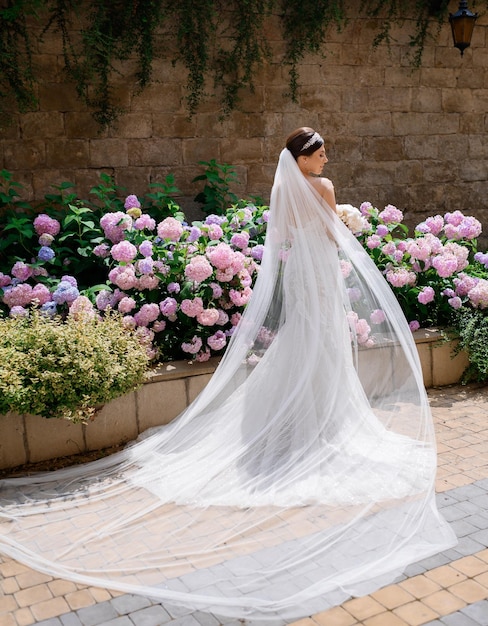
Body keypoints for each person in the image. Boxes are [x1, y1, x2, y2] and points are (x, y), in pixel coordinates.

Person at [0, 127, 456, 620]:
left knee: (303, 340)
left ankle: (295, 421)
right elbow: (331, 233)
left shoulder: (283, 189)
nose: (326, 159)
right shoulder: (322, 189)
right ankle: (319, 424)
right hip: (321, 269)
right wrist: (349, 222)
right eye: (320, 153)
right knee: (321, 341)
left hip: (299, 272)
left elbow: (280, 237)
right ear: (302, 158)